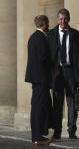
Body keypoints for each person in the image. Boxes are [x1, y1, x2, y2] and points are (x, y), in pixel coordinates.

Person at [46, 8, 79, 140]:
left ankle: (72, 131)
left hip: (71, 72)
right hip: (57, 73)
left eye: (65, 19)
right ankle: (57, 131)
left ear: (69, 18)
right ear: (57, 20)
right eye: (60, 19)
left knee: (72, 103)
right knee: (57, 104)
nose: (63, 21)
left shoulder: (75, 34)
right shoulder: (51, 34)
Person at [24, 14, 52, 146]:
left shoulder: (33, 37)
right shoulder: (40, 38)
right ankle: (37, 137)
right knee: (38, 107)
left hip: (36, 77)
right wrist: (53, 64)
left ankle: (40, 133)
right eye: (48, 23)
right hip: (40, 77)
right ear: (44, 23)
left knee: (39, 106)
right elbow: (42, 58)